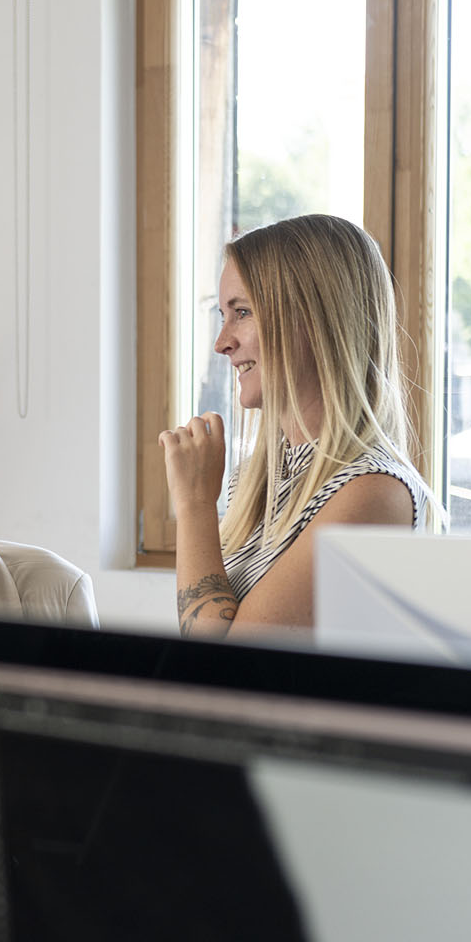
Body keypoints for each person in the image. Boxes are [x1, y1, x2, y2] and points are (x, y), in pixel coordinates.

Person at [158, 213, 434, 636]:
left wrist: (194, 505)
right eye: (222, 316)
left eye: (243, 312)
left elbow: (228, 670)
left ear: (317, 318)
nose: (222, 343)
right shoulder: (254, 482)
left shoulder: (373, 491)